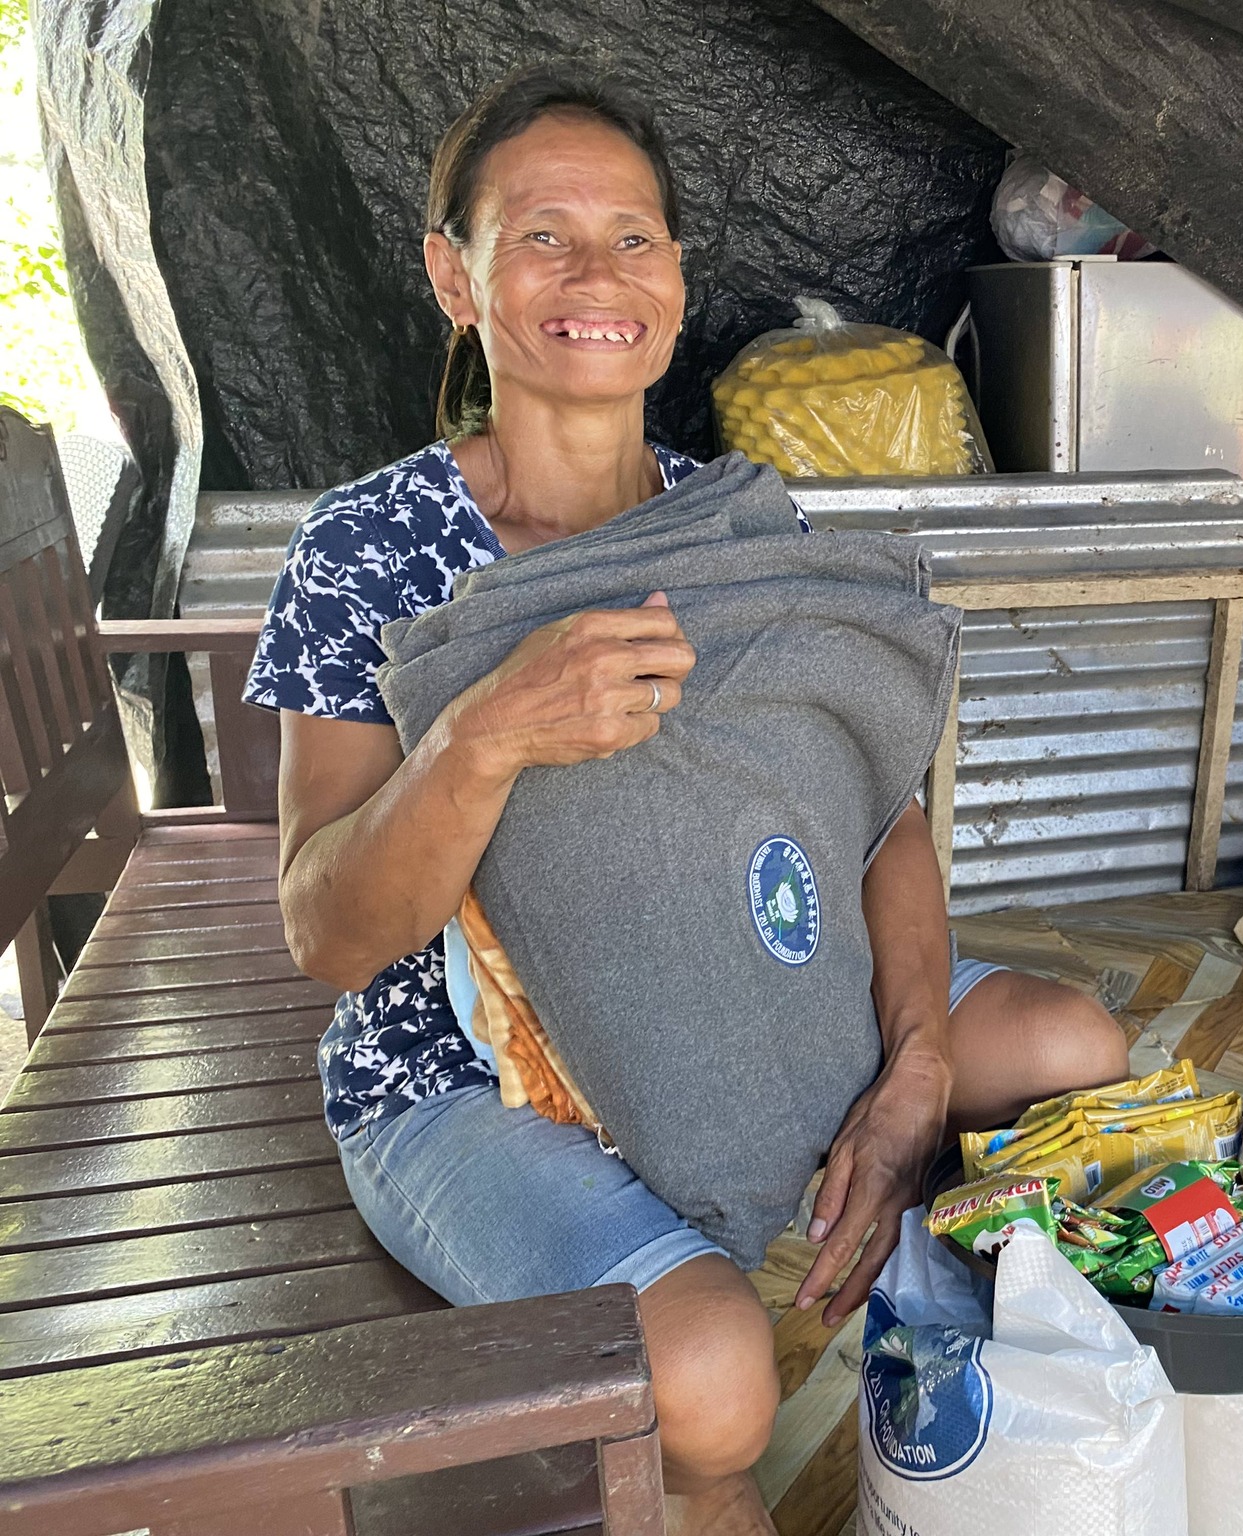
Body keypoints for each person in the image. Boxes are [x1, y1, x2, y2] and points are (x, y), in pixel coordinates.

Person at [244, 66, 1128, 1536]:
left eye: (635, 235)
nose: (598, 274)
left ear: (676, 274)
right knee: (713, 1383)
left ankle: (963, 1353)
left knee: (1071, 1046)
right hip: (466, 1075)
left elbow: (879, 820)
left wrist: (912, 1072)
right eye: (542, 236)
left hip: (753, 981)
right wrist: (483, 734)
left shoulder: (739, 520)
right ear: (453, 279)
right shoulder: (369, 546)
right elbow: (328, 936)